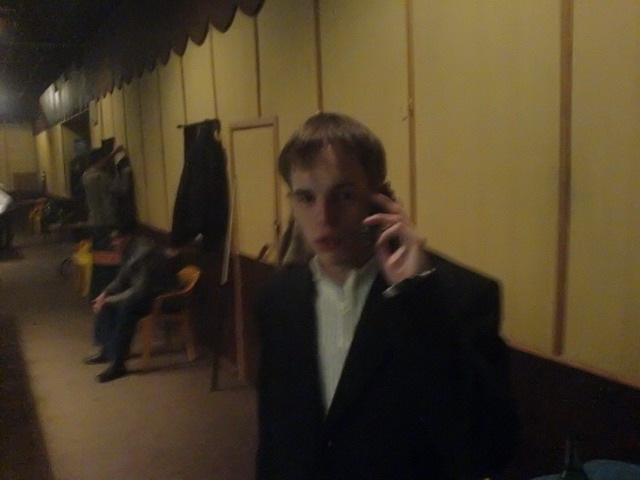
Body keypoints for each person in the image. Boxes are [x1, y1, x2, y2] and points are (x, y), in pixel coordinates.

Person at [255, 112, 519, 480]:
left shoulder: (459, 296)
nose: (324, 216)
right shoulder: (278, 298)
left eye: (344, 195)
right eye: (306, 198)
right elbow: (275, 437)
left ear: (380, 199)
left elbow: (489, 447)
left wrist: (416, 299)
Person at [84, 225, 184, 383]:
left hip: (163, 297)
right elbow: (121, 278)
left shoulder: (144, 253)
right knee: (110, 304)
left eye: (116, 239)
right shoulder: (129, 249)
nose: (113, 243)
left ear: (126, 238)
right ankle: (108, 351)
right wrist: (105, 294)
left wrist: (110, 300)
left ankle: (118, 365)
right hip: (148, 293)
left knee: (126, 309)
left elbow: (139, 290)